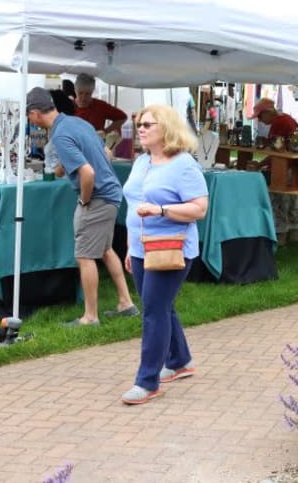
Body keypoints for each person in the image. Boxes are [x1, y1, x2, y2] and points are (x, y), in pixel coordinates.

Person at [119, 104, 209, 405]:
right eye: (139, 123)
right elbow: (133, 204)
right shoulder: (142, 162)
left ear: (166, 129)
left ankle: (147, 381)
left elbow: (200, 208)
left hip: (171, 247)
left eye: (147, 124)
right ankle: (180, 360)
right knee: (159, 304)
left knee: (154, 311)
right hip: (142, 247)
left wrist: (160, 210)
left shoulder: (183, 165)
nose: (140, 129)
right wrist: (132, 247)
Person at [26, 86, 137, 326]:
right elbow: (104, 153)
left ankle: (90, 317)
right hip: (112, 194)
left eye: (29, 115)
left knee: (85, 256)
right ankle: (125, 303)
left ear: (35, 113)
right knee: (106, 250)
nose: (30, 120)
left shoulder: (59, 135)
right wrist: (59, 170)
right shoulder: (77, 123)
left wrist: (85, 201)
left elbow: (87, 172)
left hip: (97, 198)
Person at [251, 98, 298, 246]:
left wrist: (260, 164)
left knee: (279, 201)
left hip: (283, 168)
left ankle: (280, 236)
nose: (260, 120)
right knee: (292, 201)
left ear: (268, 112)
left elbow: (276, 152)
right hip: (295, 166)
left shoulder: (278, 123)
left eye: (260, 116)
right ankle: (294, 232)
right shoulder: (287, 119)